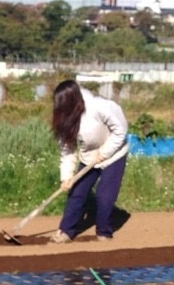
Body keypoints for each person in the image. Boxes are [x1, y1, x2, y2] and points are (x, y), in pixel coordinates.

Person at [50, 78, 129, 242]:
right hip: (90, 156)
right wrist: (66, 177)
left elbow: (120, 131)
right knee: (77, 193)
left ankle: (104, 232)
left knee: (104, 196)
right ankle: (66, 231)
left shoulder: (99, 107)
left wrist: (105, 152)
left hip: (114, 153)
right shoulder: (67, 118)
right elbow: (68, 150)